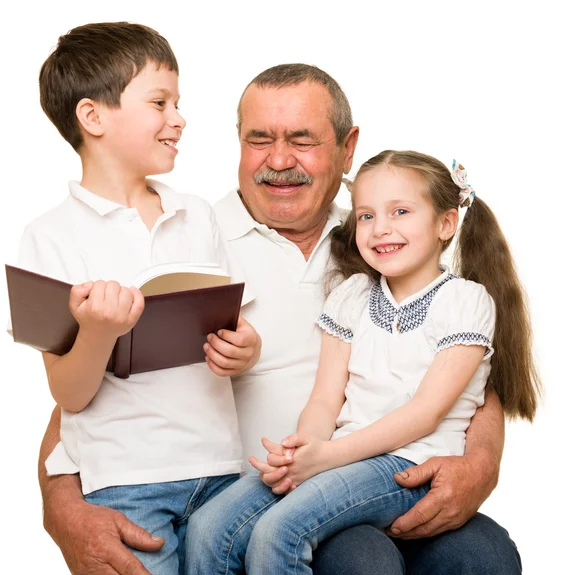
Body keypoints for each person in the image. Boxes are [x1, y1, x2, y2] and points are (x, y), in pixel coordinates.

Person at [37, 64, 523, 574]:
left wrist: (481, 460)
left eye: (302, 139)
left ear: (347, 147)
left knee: (482, 555)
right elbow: (88, 386)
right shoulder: (190, 236)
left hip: (390, 470)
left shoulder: (385, 234)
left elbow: (470, 374)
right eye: (259, 139)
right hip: (259, 490)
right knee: (360, 559)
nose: (279, 160)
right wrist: (64, 508)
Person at [185, 150, 540, 574]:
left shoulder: (464, 302)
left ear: (446, 224)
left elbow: (425, 414)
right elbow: (325, 398)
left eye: (401, 212)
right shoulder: (352, 296)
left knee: (281, 530)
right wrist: (305, 448)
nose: (380, 229)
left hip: (409, 463)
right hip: (343, 457)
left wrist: (327, 458)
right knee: (209, 527)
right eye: (366, 216)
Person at [16, 22, 261, 574]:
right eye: (159, 102)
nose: (178, 118)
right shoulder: (49, 237)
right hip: (125, 483)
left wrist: (244, 348)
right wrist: (100, 329)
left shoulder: (196, 214)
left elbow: (239, 326)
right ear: (93, 116)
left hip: (221, 469)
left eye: (178, 101)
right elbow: (70, 393)